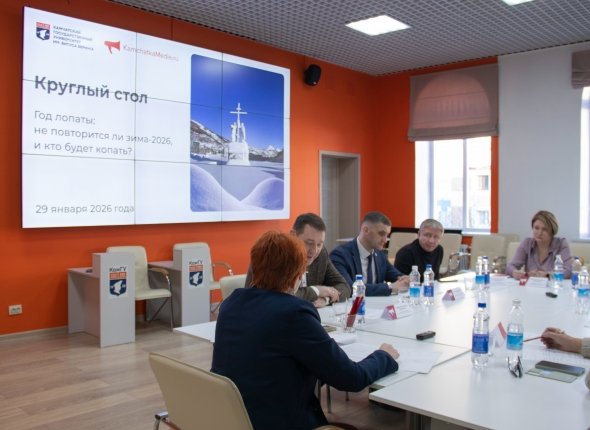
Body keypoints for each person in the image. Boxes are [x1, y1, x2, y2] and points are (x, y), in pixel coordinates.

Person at [212, 231, 400, 430]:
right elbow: (351, 379)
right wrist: (383, 356)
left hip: (234, 418)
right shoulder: (293, 313)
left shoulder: (231, 303)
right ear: (297, 276)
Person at [245, 213, 351, 307]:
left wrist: (326, 299)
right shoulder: (275, 254)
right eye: (309, 243)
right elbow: (283, 297)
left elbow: (344, 287)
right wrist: (318, 290)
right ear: (293, 235)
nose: (314, 250)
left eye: (319, 244)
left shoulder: (321, 255)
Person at [330, 211, 409, 296]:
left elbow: (395, 274)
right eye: (381, 234)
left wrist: (405, 279)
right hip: (354, 304)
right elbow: (349, 288)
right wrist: (390, 287)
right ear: (366, 230)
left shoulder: (380, 254)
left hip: (377, 304)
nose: (385, 240)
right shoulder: (340, 255)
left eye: (387, 235)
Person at [506, 210, 572, 279]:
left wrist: (547, 275)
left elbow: (568, 271)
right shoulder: (527, 243)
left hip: (552, 285)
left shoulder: (561, 244)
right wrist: (515, 273)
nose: (539, 233)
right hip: (531, 285)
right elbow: (510, 267)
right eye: (536, 228)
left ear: (552, 231)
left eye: (544, 229)